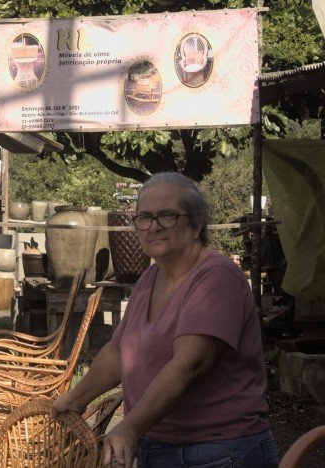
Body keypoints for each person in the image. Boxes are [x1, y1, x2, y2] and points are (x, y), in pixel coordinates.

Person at [51, 172, 278, 467]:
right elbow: (119, 351)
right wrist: (74, 399)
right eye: (144, 217)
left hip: (218, 451)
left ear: (196, 225)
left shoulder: (217, 278)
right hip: (159, 445)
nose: (154, 227)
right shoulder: (150, 277)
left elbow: (188, 365)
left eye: (167, 216)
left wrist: (130, 427)